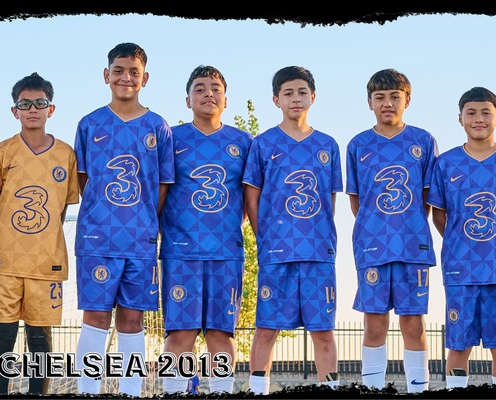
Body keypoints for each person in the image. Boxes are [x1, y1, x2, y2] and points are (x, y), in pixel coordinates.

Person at [72, 42, 174, 397]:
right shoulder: (89, 124)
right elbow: (84, 181)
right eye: (118, 70)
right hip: (97, 238)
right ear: (106, 75)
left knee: (132, 320)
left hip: (140, 239)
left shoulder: (158, 127)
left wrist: (140, 216)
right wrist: (105, 213)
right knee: (95, 318)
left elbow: (162, 186)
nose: (125, 78)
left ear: (145, 78)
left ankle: (132, 391)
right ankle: (87, 391)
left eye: (133, 72)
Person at [242, 66, 341, 394]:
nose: (295, 99)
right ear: (276, 100)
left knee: (323, 331)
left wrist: (322, 236)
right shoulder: (263, 143)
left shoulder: (328, 145)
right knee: (266, 329)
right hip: (277, 251)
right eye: (288, 93)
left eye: (301, 92)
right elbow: (252, 197)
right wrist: (265, 237)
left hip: (317, 252)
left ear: (313, 97)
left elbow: (329, 200)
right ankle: (258, 390)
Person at [0, 72, 79, 394]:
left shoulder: (66, 154)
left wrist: (42, 233)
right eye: (25, 104)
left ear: (51, 109)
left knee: (40, 339)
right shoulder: (2, 151)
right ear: (15, 111)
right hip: (6, 258)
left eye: (40, 103)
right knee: (2, 336)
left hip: (45, 260)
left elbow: (61, 208)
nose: (33, 109)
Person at [344, 69, 438, 392]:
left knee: (413, 324)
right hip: (372, 246)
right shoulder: (358, 144)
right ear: (369, 102)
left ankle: (418, 389)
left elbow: (427, 197)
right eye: (380, 97)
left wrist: (408, 226)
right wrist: (376, 228)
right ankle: (372, 389)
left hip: (412, 246)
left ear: (406, 100)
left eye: (394, 96)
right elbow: (356, 201)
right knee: (374, 324)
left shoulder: (423, 141)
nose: (387, 103)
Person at [427, 86, 496, 388]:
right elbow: (440, 216)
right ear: (460, 119)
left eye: (486, 112)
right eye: (471, 113)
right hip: (461, 268)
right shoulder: (446, 163)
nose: (479, 119)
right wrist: (460, 242)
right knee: (458, 346)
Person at [158, 65, 248, 394]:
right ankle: (172, 391)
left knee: (220, 334)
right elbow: (160, 191)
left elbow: (249, 198)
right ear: (187, 100)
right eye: (199, 88)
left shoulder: (243, 141)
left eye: (215, 88)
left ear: (226, 99)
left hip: (226, 252)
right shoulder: (171, 138)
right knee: (179, 334)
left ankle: (222, 390)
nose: (208, 93)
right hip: (180, 253)